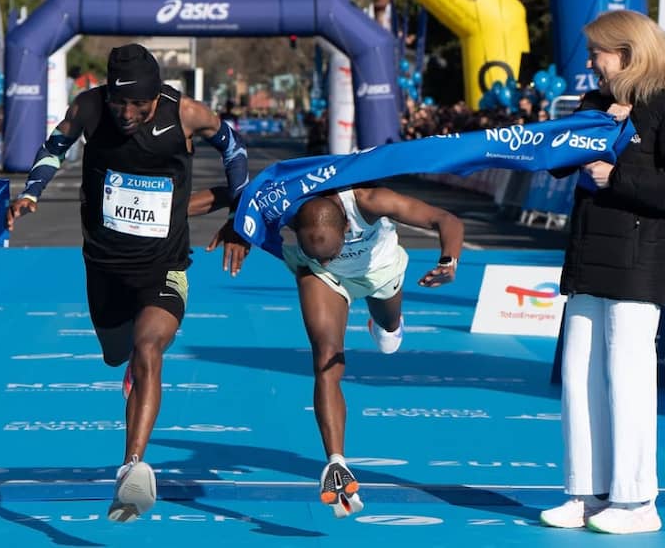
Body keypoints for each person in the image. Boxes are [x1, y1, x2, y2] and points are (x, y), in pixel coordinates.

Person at [7, 43, 251, 523]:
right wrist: (32, 192)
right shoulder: (90, 107)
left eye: (139, 104)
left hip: (165, 265)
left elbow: (233, 147)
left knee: (148, 351)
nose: (128, 113)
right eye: (121, 103)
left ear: (156, 95)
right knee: (118, 352)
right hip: (104, 264)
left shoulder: (188, 114)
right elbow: (56, 144)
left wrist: (242, 216)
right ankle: (129, 365)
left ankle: (133, 467)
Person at [189, 182, 464, 518]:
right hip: (321, 276)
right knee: (326, 358)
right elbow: (238, 194)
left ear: (346, 227)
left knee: (389, 337)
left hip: (378, 270)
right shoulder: (285, 205)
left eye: (330, 249)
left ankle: (386, 323)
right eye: (314, 247)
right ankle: (337, 462)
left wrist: (449, 260)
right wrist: (237, 226)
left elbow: (445, 218)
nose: (326, 253)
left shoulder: (370, 200)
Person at [540, 10, 665, 534]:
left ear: (628, 54)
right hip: (587, 258)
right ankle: (584, 492)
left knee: (629, 380)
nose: (591, 65)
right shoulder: (595, 103)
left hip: (639, 262)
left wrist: (619, 174)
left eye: (598, 54)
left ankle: (638, 503)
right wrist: (594, 125)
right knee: (578, 379)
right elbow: (555, 160)